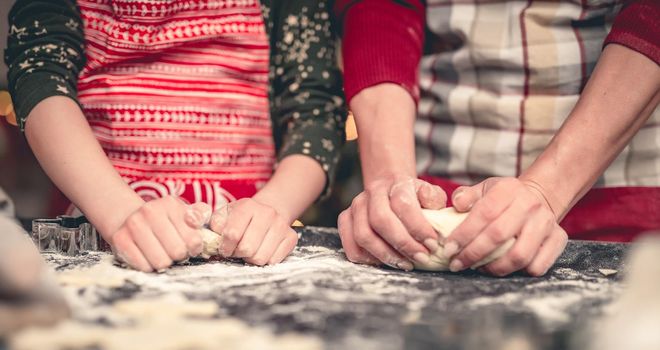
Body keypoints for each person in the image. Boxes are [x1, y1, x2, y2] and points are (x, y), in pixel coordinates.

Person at [5, 0, 346, 272]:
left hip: (245, 248)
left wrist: (273, 207)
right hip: (98, 236)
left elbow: (314, 112)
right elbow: (40, 79)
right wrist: (120, 213)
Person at [333, 0, 659, 275]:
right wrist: (390, 182)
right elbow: (381, 7)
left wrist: (545, 190)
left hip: (622, 196)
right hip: (436, 194)